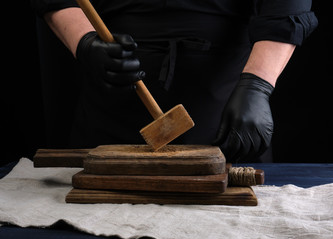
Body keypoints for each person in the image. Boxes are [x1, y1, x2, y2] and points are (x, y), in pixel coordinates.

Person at [31, 0, 317, 163]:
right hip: (110, 109)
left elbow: (286, 5)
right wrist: (85, 43)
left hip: (226, 115)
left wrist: (258, 85)